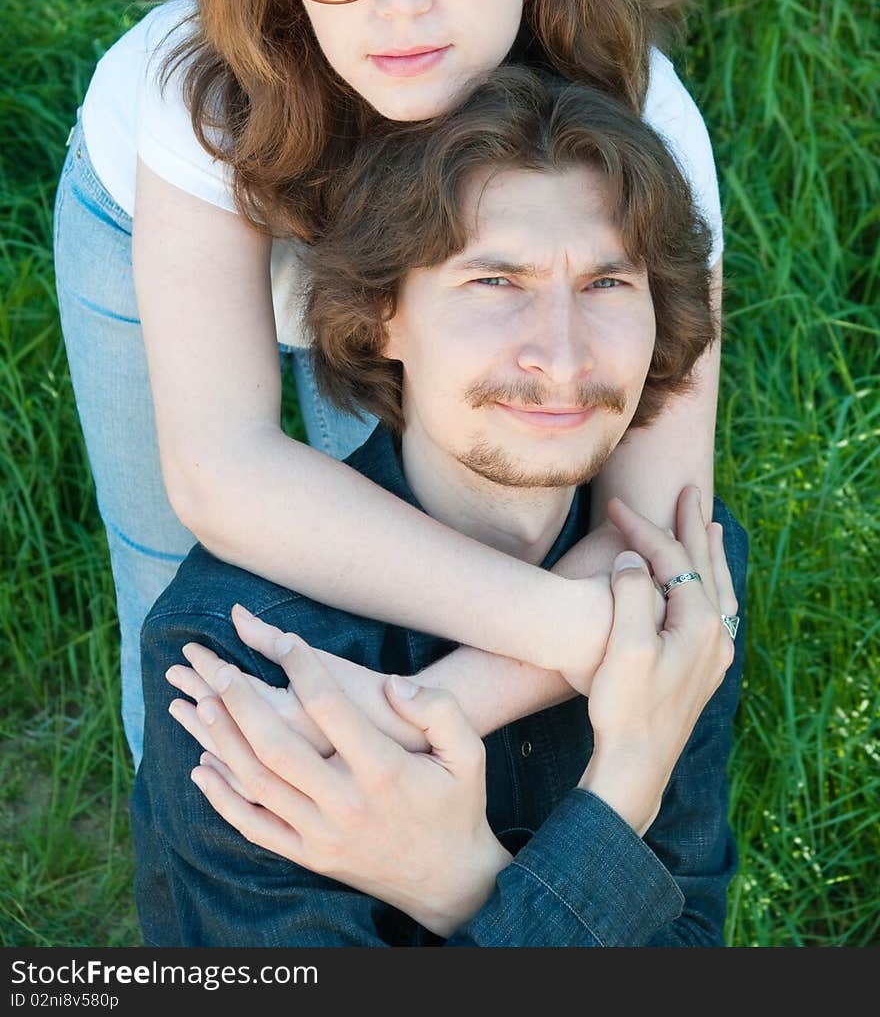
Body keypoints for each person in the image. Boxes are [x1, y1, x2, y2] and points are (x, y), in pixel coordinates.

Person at [53, 0, 728, 769]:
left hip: (453, 295)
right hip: (169, 238)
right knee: (177, 598)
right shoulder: (199, 97)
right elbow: (225, 472)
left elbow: (665, 533)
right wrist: (569, 627)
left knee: (453, 544)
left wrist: (402, 716)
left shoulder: (634, 126)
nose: (400, 3)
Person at [131, 68, 746, 948]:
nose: (563, 357)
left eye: (608, 284)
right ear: (383, 314)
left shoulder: (688, 576)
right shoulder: (238, 667)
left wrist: (467, 884)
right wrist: (615, 807)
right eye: (497, 283)